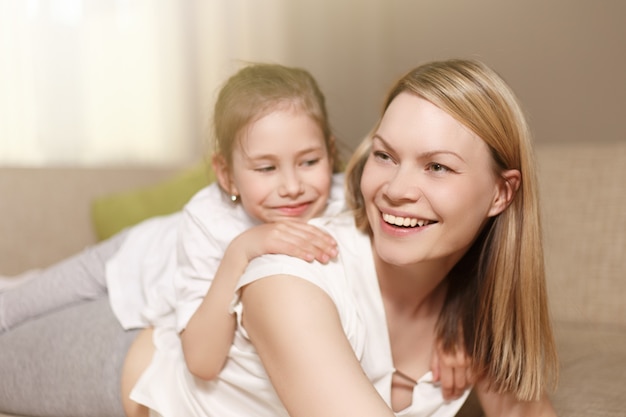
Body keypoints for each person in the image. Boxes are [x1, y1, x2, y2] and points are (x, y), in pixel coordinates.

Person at [0, 63, 471, 417]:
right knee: (18, 302)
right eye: (265, 168)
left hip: (162, 314)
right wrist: (243, 250)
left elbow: (427, 261)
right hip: (136, 261)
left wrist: (457, 329)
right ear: (225, 174)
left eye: (308, 161)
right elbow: (203, 362)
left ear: (330, 154)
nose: (292, 186)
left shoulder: (346, 194)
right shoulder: (208, 222)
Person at [125, 58, 559, 417]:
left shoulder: (472, 310)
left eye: (437, 166)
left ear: (501, 193)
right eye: (385, 156)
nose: (395, 189)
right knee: (120, 258)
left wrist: (466, 322)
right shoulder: (288, 282)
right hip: (138, 371)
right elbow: (201, 357)